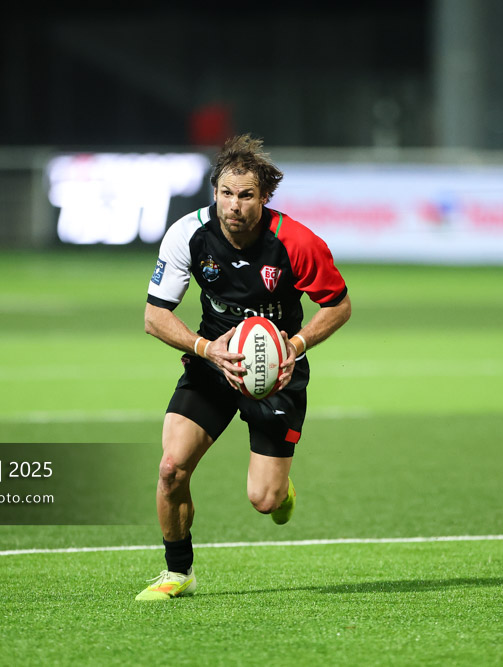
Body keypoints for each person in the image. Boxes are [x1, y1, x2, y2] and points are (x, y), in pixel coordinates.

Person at [137, 134, 352, 601]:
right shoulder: (187, 234)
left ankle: (282, 489)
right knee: (172, 468)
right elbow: (154, 317)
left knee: (265, 501)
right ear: (214, 191)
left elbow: (338, 306)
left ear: (265, 197)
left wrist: (294, 344)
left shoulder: (296, 242)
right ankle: (178, 572)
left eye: (246, 195)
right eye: (226, 193)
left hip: (276, 373)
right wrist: (205, 348)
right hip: (212, 364)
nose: (234, 205)